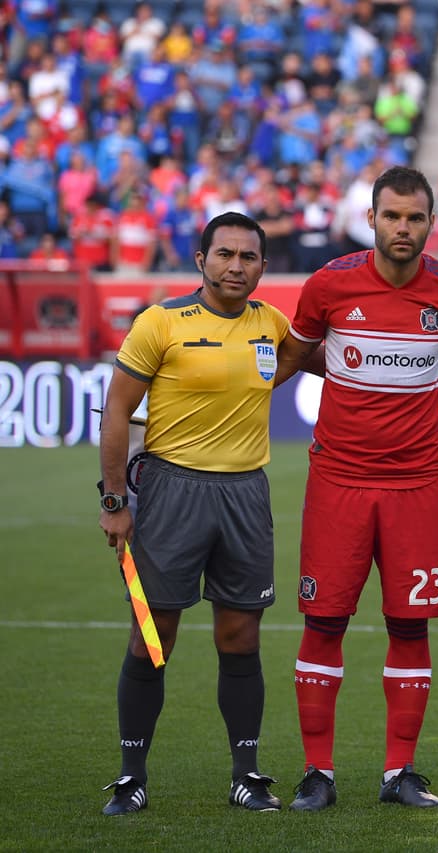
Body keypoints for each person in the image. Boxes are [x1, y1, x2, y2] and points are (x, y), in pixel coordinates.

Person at [273, 166, 438, 812]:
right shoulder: (328, 285)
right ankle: (317, 772)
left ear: (431, 223)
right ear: (370, 218)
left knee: (410, 625)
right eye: (392, 216)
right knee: (324, 622)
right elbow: (291, 357)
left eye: (414, 217)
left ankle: (399, 771)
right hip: (338, 481)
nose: (403, 228)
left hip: (416, 485)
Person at [98, 212, 289, 815]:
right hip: (171, 492)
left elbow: (301, 361)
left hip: (245, 495)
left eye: (249, 257)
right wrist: (113, 501)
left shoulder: (272, 323)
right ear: (201, 259)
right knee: (154, 637)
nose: (237, 266)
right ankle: (132, 778)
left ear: (262, 265)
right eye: (225, 254)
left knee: (241, 636)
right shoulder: (161, 322)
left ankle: (246, 774)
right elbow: (115, 414)